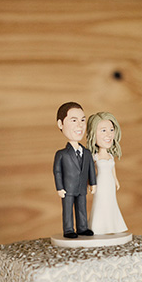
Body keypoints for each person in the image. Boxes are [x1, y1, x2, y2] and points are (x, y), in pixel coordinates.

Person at [53, 102, 95, 238]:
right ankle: (69, 229)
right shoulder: (62, 154)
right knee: (68, 210)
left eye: (83, 120)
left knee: (82, 208)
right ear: (60, 124)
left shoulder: (87, 153)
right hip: (67, 188)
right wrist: (59, 187)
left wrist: (93, 183)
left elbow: (91, 169)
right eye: (74, 120)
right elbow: (57, 172)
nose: (80, 125)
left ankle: (82, 227)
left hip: (82, 187)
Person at [85, 111, 128, 234]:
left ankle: (113, 226)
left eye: (111, 130)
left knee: (111, 203)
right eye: (103, 130)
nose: (108, 134)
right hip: (100, 185)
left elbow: (112, 170)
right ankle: (97, 227)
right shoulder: (95, 157)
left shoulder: (110, 156)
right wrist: (90, 184)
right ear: (93, 133)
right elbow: (91, 172)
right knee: (100, 204)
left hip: (109, 185)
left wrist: (116, 180)